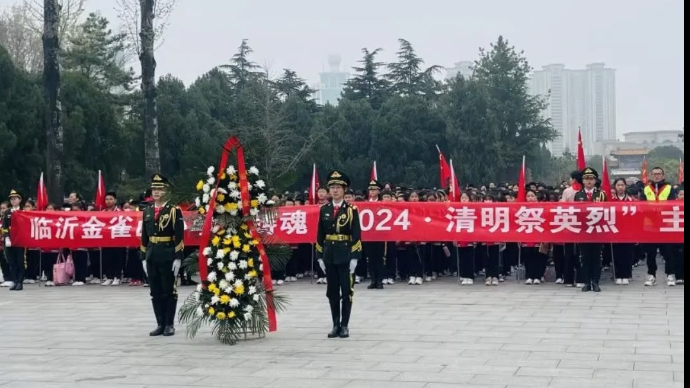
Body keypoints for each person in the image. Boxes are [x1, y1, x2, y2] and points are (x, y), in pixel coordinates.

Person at [315, 170, 362, 339]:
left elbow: (356, 233)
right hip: (329, 254)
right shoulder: (324, 209)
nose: (335, 190)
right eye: (332, 187)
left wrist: (355, 257)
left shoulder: (351, 210)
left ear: (344, 190)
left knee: (346, 291)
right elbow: (319, 234)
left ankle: (345, 325)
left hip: (345, 254)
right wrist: (319, 256)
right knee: (332, 291)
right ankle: (335, 324)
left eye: (338, 187)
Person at [140, 174, 184, 337]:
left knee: (169, 291)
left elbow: (179, 235)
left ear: (166, 190)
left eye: (160, 189)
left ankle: (169, 324)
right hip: (152, 254)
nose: (156, 192)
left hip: (167, 253)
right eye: (154, 189)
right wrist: (143, 257)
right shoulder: (147, 211)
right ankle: (159, 324)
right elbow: (144, 235)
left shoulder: (174, 210)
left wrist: (178, 257)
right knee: (155, 291)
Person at [643, 167, 679, 287]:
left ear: (663, 175)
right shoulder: (646, 189)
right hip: (650, 225)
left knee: (668, 251)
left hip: (665, 224)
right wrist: (652, 212)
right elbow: (642, 206)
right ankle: (651, 275)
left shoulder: (669, 188)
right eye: (654, 174)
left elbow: (672, 204)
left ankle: (670, 274)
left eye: (659, 174)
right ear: (651, 176)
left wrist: (659, 210)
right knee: (651, 252)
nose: (657, 176)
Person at [574, 167, 607, 293]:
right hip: (583, 231)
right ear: (582, 181)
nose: (589, 181)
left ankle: (596, 282)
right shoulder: (578, 195)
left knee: (597, 258)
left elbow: (606, 212)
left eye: (591, 179)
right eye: (586, 179)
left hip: (597, 230)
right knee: (584, 257)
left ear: (595, 180)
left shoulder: (601, 194)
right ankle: (586, 282)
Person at [364, 180, 385, 290]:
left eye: (374, 189)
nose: (372, 191)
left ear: (379, 191)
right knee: (370, 259)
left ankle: (380, 280)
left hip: (380, 235)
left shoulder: (383, 203)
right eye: (370, 189)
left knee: (380, 258)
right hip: (369, 235)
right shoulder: (365, 203)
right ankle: (373, 280)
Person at [2, 190, 24, 291]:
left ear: (20, 200)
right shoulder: (7, 212)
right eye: (11, 199)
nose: (13, 200)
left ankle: (20, 282)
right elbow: (5, 227)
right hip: (9, 240)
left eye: (15, 199)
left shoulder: (23, 212)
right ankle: (15, 281)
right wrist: (6, 237)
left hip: (20, 240)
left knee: (20, 261)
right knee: (12, 262)